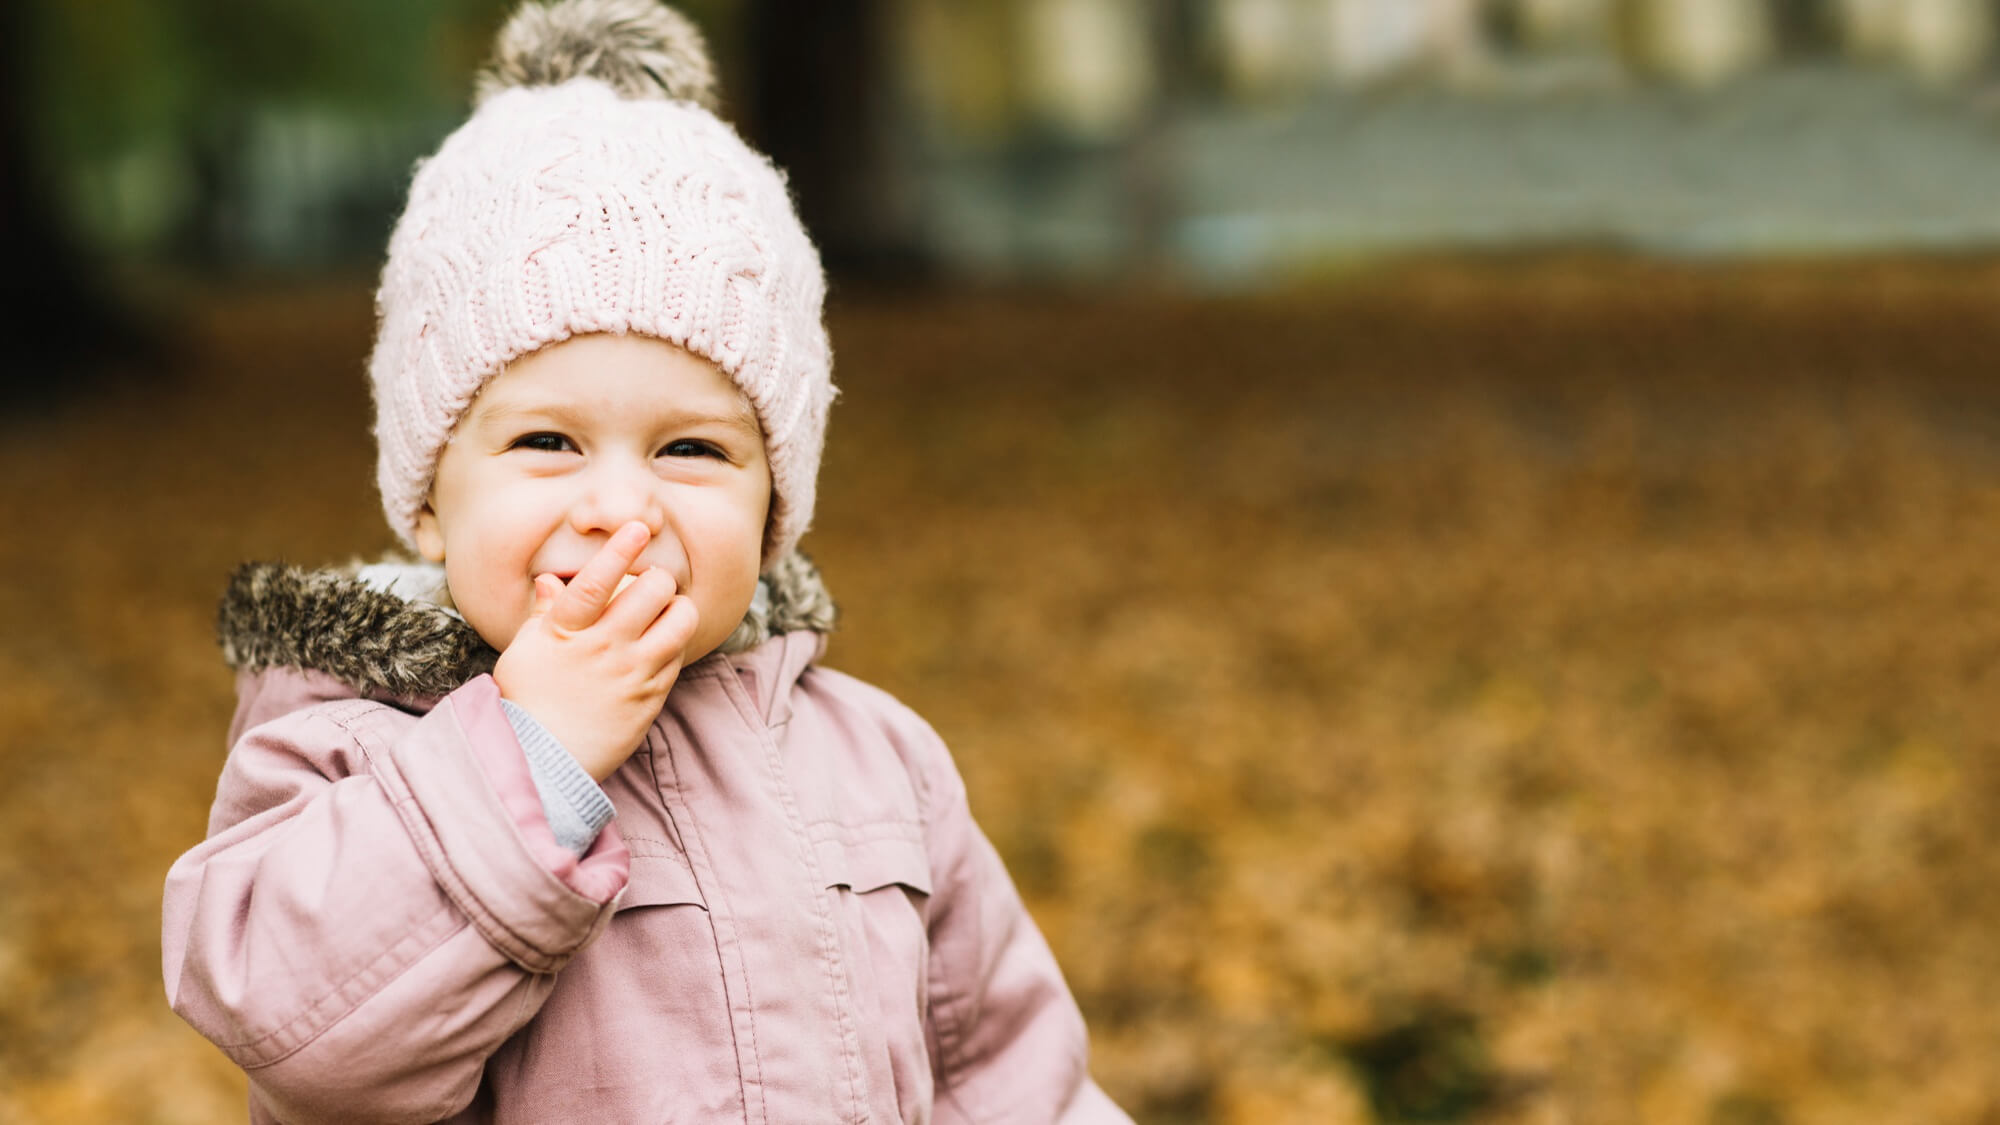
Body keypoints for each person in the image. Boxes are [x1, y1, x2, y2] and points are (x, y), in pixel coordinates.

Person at [160, 2, 1130, 1120]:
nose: (620, 506)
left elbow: (1011, 1077)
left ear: (775, 512)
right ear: (429, 502)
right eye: (545, 442)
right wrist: (531, 753)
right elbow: (303, 1037)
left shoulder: (878, 762)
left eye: (691, 449)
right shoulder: (339, 748)